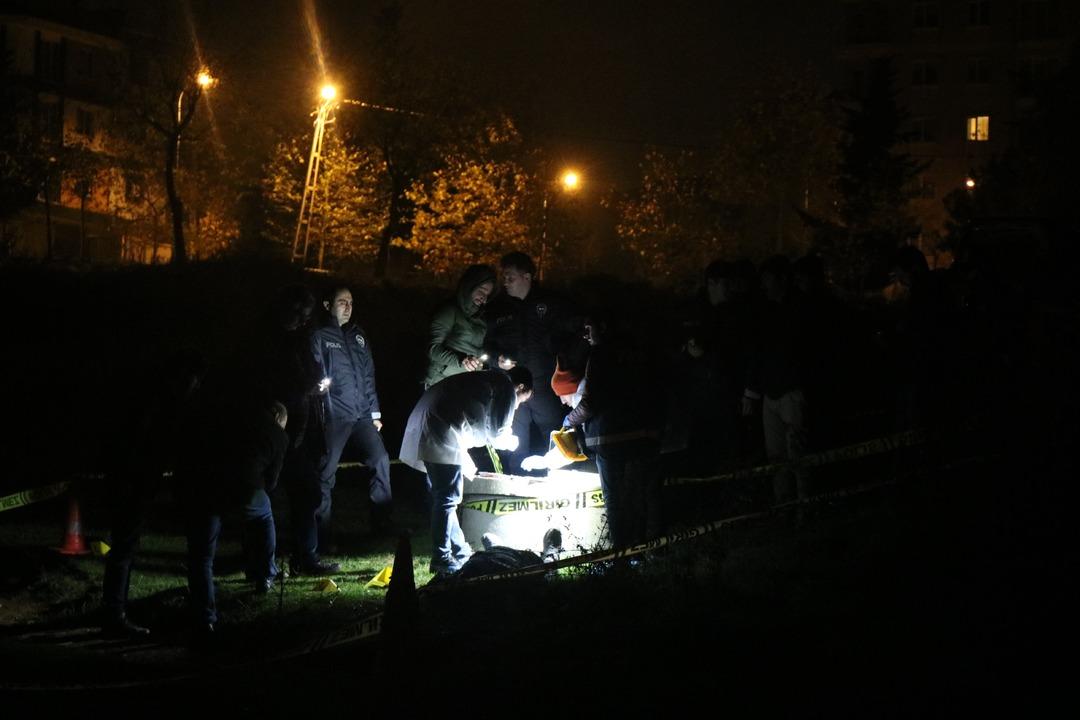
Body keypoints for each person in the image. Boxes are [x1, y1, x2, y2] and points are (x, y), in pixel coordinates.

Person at [100, 349, 206, 638]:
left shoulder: (154, 402)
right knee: (124, 547)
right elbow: (140, 448)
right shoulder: (157, 406)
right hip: (133, 484)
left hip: (134, 483)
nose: (196, 387)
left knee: (125, 546)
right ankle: (114, 615)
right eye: (194, 380)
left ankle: (114, 611)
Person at [399, 367, 534, 575]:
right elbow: (497, 433)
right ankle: (442, 558)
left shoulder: (488, 379)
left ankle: (460, 552)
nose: (518, 406)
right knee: (447, 499)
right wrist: (513, 442)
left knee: (444, 497)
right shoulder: (506, 387)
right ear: (521, 387)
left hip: (429, 421)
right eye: (522, 400)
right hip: (442, 427)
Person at [178, 395, 289, 640]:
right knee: (265, 517)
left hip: (207, 486)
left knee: (202, 556)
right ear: (278, 418)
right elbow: (272, 482)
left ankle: (204, 618)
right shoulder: (278, 436)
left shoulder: (238, 419)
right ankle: (266, 574)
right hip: (246, 490)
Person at [563, 314, 663, 548]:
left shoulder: (599, 355)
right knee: (638, 496)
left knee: (615, 500)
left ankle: (620, 554)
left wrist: (568, 420)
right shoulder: (638, 351)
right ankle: (644, 549)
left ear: (603, 327)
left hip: (610, 437)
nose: (586, 335)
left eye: (589, 328)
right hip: (641, 435)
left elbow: (590, 403)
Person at [311, 286, 393, 559]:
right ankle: (320, 537)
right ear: (327, 305)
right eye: (342, 302)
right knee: (325, 474)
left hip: (361, 415)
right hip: (334, 416)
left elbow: (369, 375)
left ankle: (382, 526)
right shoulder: (319, 335)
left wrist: (375, 414)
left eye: (351, 302)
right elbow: (315, 375)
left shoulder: (358, 335)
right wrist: (320, 410)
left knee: (380, 459)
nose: (348, 307)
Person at [484, 252, 578, 474]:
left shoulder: (550, 303)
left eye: (510, 277)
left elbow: (569, 336)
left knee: (554, 437)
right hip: (513, 389)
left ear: (526, 277)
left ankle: (558, 480)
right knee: (514, 442)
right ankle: (515, 483)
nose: (505, 282)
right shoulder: (497, 309)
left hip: (545, 386)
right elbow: (485, 345)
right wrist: (497, 360)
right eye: (503, 277)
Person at [424, 264, 496, 389]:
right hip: (441, 382)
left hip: (465, 383)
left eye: (487, 294)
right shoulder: (449, 311)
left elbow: (478, 350)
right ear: (470, 286)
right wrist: (461, 360)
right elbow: (432, 349)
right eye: (481, 290)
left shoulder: (481, 318)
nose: (484, 298)